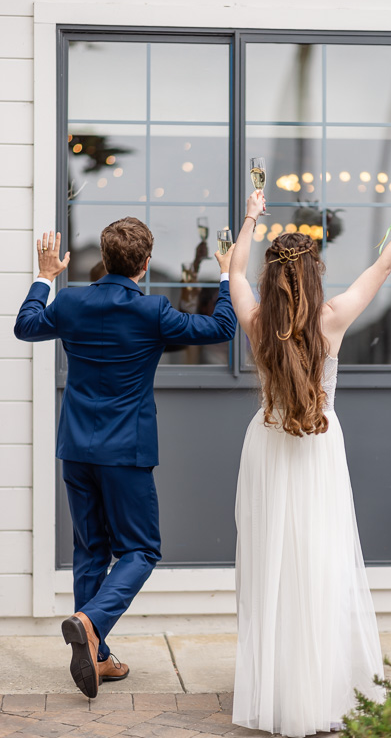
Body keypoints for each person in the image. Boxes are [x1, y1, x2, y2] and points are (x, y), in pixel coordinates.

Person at [229, 190, 391, 737]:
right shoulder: (333, 318)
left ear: (274, 278)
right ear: (314, 276)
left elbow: (234, 272)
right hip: (317, 447)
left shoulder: (254, 323)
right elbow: (384, 264)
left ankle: (280, 693)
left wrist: (251, 217)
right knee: (321, 565)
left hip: (268, 446)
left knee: (272, 568)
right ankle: (317, 689)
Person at [14, 217, 237, 699]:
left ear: (105, 257)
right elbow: (223, 326)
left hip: (75, 448)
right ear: (145, 262)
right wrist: (225, 272)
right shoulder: (152, 311)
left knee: (90, 549)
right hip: (126, 452)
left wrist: (45, 276)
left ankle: (96, 657)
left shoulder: (70, 301)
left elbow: (25, 326)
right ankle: (89, 621)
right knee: (141, 550)